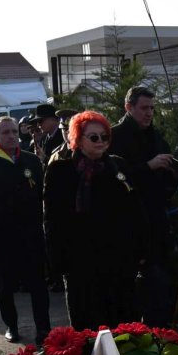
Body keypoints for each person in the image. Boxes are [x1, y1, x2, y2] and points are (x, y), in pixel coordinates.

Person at [44, 111, 146, 329]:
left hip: (118, 261)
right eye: (93, 137)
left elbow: (135, 212)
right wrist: (57, 262)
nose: (100, 141)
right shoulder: (61, 171)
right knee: (88, 328)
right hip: (81, 262)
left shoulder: (117, 166)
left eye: (104, 136)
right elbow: (52, 219)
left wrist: (140, 251)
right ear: (78, 139)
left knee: (123, 326)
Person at [109, 85, 178, 326]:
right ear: (129, 107)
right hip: (128, 224)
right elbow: (114, 181)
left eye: (152, 108)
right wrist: (148, 167)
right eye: (144, 108)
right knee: (132, 289)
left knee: (159, 286)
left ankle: (159, 332)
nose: (149, 113)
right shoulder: (114, 137)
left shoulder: (155, 136)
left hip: (156, 220)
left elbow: (163, 184)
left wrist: (175, 174)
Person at [0, 116, 50, 344]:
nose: (11, 136)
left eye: (14, 132)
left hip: (31, 234)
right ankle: (11, 325)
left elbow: (41, 196)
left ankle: (43, 327)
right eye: (6, 132)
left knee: (38, 283)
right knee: (5, 286)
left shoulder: (31, 160)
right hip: (2, 236)